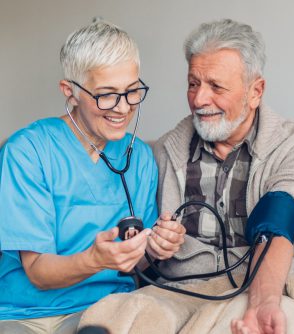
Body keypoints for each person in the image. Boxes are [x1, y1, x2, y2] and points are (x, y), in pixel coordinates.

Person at [76, 19, 294, 334]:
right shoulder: (163, 154)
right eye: (193, 83)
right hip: (177, 293)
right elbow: (139, 257)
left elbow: (277, 220)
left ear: (255, 91)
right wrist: (155, 246)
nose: (198, 99)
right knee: (117, 317)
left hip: (265, 290)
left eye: (216, 86)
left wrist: (263, 302)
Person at [0, 21, 185, 334]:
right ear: (69, 92)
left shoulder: (138, 157)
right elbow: (37, 272)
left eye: (132, 91)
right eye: (106, 95)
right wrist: (95, 259)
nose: (123, 107)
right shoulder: (28, 151)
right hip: (26, 312)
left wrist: (156, 247)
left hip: (104, 310)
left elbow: (138, 261)